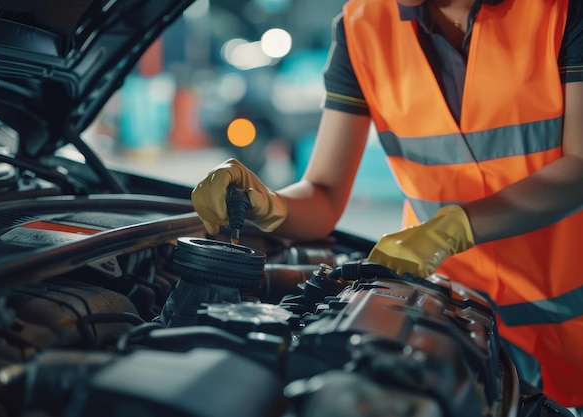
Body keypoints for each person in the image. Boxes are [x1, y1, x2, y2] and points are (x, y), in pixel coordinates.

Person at [191, 0, 583, 407]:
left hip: (571, 314)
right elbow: (323, 192)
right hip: (454, 319)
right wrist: (268, 204)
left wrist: (452, 229)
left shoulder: (558, 9)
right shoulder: (362, 27)